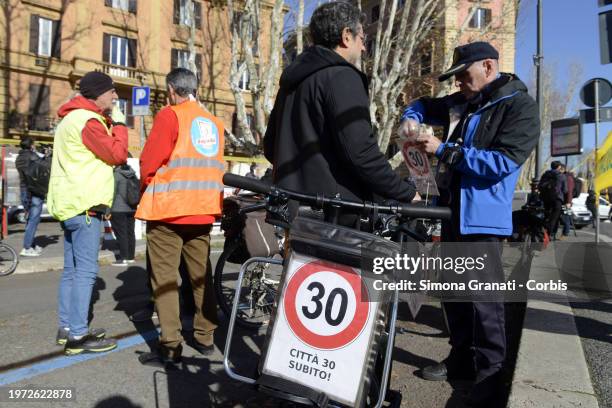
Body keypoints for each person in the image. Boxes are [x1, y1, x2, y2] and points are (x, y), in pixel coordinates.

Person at [400, 41, 539, 406]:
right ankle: (460, 361)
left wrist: (443, 150)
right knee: (454, 295)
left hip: (481, 220)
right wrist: (410, 118)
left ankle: (491, 374)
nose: (458, 82)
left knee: (484, 302)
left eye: (464, 74)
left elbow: (501, 163)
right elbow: (424, 105)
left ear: (489, 68)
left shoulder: (519, 107)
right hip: (449, 213)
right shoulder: (465, 101)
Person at [263, 1, 416, 224]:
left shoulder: (292, 82)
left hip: (290, 210)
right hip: (334, 216)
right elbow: (361, 153)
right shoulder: (341, 76)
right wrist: (407, 192)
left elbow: (270, 147)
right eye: (362, 39)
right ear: (346, 36)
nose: (364, 48)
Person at [136, 68, 223, 368]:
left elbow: (149, 163)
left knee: (165, 280)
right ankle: (205, 337)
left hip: (169, 211)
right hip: (202, 210)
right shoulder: (214, 122)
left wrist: (149, 188)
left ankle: (171, 346)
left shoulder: (170, 115)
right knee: (201, 278)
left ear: (172, 90)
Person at [48, 71, 127, 354]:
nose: (115, 96)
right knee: (86, 273)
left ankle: (67, 327)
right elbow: (117, 154)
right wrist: (118, 123)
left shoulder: (70, 119)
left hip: (70, 204)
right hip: (86, 206)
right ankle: (79, 336)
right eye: (111, 92)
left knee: (71, 271)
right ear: (97, 94)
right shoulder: (88, 121)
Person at [15, 137, 44, 256]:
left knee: (30, 218)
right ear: (31, 145)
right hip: (34, 191)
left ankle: (31, 244)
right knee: (33, 220)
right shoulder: (32, 156)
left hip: (24, 190)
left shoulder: (19, 157)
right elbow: (43, 166)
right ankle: (27, 247)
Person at [110, 163, 138, 266]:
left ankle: (123, 258)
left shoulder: (116, 175)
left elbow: (111, 193)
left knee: (121, 233)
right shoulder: (133, 174)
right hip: (132, 208)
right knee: (130, 232)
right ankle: (131, 257)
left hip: (118, 208)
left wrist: (108, 210)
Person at [540, 161, 567, 240]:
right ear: (558, 167)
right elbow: (565, 190)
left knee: (547, 215)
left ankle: (543, 230)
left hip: (545, 199)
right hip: (557, 199)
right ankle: (548, 234)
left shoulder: (545, 174)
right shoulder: (561, 176)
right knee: (554, 218)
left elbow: (539, 186)